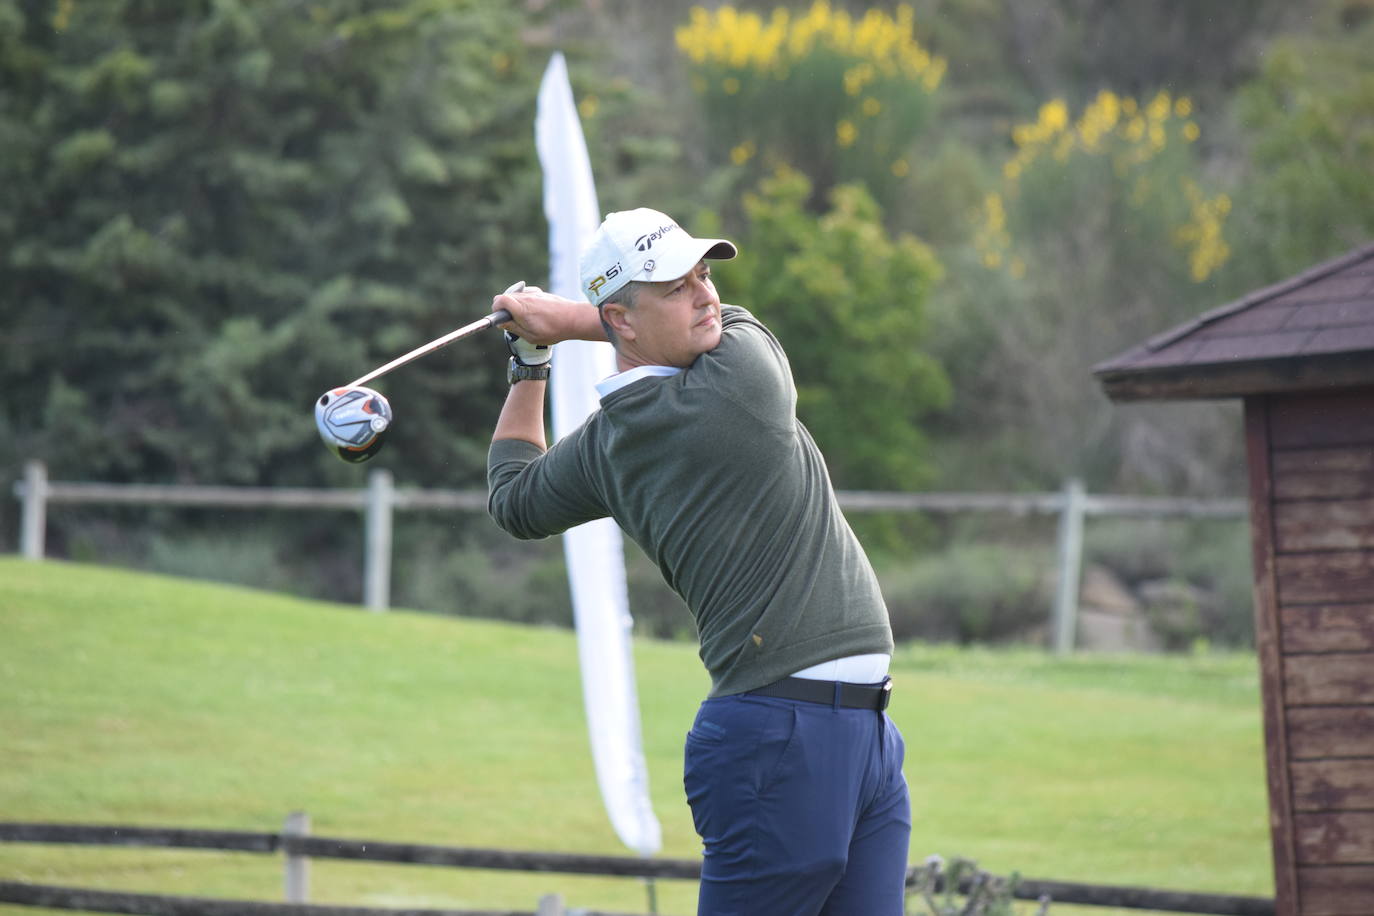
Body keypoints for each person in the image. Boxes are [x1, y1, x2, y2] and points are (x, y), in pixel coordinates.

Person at [486, 208, 910, 915]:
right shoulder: (737, 386)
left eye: (704, 273)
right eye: (676, 288)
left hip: (857, 734)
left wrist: (531, 360)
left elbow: (512, 497)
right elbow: (735, 325)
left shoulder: (605, 445)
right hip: (782, 736)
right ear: (620, 319)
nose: (708, 295)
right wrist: (561, 322)